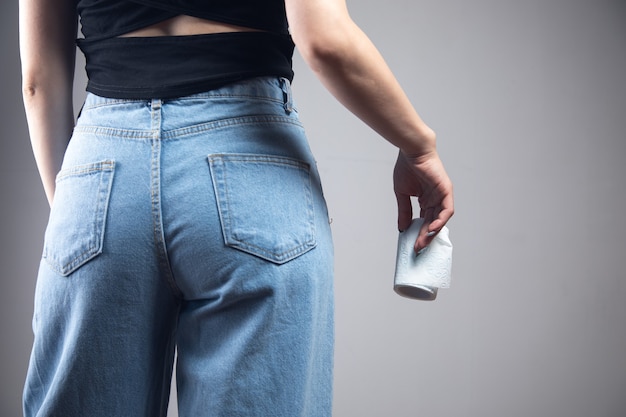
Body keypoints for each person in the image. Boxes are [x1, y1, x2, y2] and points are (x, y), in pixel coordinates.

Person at [19, 0, 454, 415]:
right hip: (251, 161)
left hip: (102, 170)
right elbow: (325, 39)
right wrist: (419, 146)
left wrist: (85, 213)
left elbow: (38, 81)